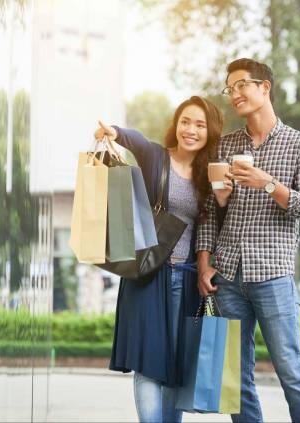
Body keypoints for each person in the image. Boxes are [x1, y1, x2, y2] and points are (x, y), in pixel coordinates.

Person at [196, 58, 300, 422]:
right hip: (228, 276)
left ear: (264, 87)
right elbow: (209, 209)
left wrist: (267, 183)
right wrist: (205, 262)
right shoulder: (226, 146)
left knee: (292, 372)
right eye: (229, 88)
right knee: (235, 378)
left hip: (273, 275)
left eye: (241, 86)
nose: (234, 94)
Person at [95, 96, 224, 423]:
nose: (191, 130)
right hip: (148, 276)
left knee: (176, 367)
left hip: (189, 278)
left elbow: (214, 223)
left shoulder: (209, 174)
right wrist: (113, 131)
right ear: (175, 124)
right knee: (148, 362)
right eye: (185, 121)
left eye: (199, 124)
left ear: (210, 132)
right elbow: (134, 140)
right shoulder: (156, 157)